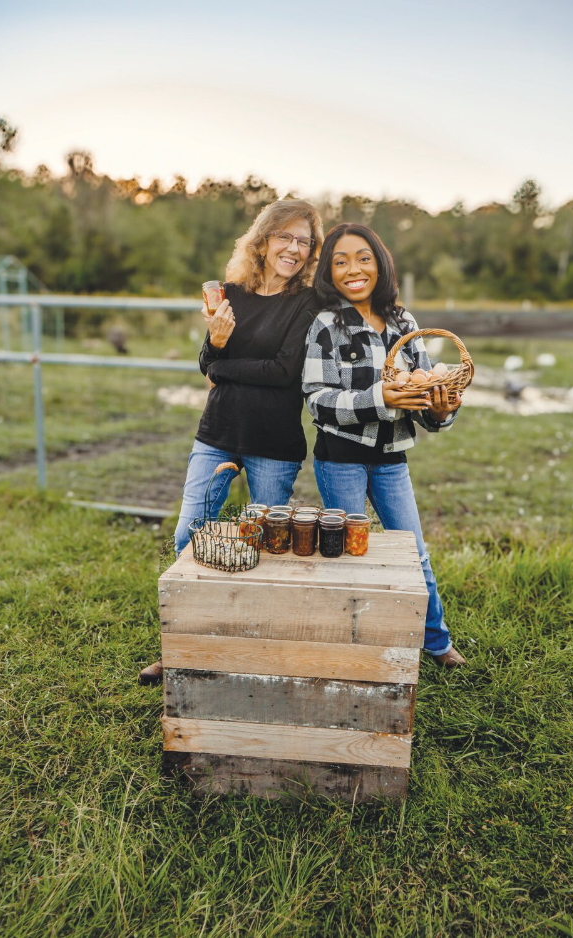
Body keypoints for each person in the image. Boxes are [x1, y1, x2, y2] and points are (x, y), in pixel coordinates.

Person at [139, 199, 324, 684]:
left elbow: (285, 372)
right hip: (218, 433)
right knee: (189, 536)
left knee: (265, 547)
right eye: (285, 236)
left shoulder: (305, 303)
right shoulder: (232, 293)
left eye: (304, 241)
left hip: (273, 441)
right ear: (263, 240)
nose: (294, 247)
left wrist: (222, 365)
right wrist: (215, 348)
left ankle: (255, 652)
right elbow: (207, 361)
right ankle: (184, 646)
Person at [302, 223, 465, 666]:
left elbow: (425, 389)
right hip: (340, 458)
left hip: (392, 459)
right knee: (349, 555)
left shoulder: (403, 322)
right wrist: (380, 397)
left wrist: (438, 407)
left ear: (380, 264)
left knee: (415, 552)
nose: (352, 269)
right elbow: (317, 400)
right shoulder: (326, 325)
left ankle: (436, 641)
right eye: (340, 261)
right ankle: (352, 646)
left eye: (363, 258)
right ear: (329, 273)